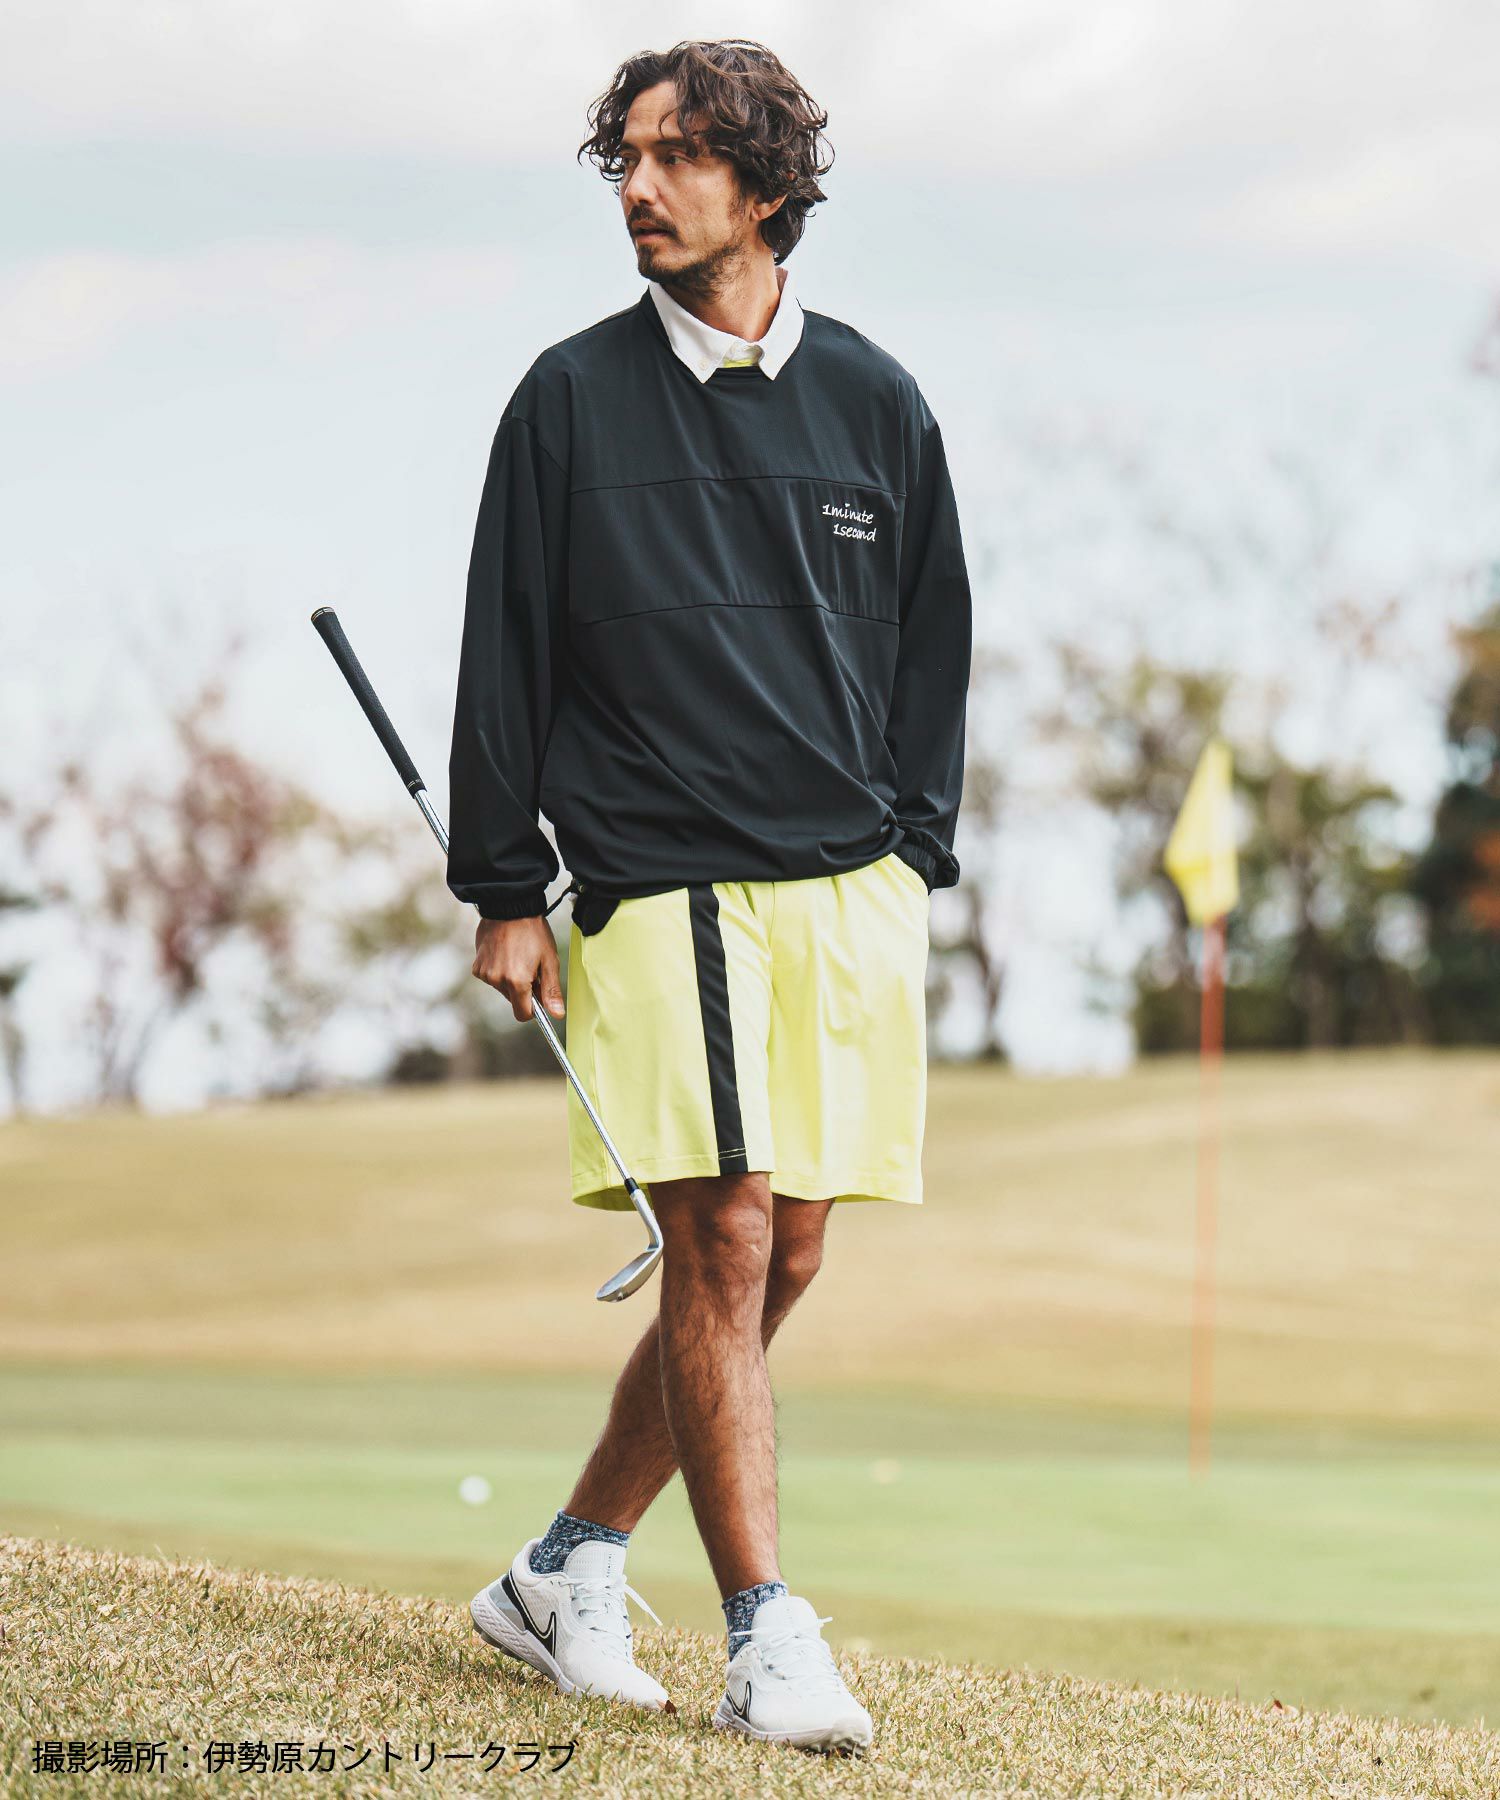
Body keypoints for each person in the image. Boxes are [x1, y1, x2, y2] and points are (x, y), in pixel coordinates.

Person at [446, 37, 971, 1756]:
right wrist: (504, 885)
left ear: (764, 186)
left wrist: (912, 847)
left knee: (784, 1250)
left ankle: (564, 1564)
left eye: (676, 158)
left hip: (845, 893)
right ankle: (768, 1636)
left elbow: (935, 649)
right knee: (725, 1233)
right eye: (626, 159)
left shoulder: (879, 400)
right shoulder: (568, 400)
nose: (640, 189)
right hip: (659, 878)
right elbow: (505, 651)